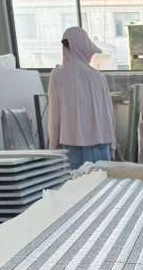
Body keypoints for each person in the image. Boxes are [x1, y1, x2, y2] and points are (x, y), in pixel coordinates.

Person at [48, 27, 116, 171]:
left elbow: (54, 116)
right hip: (101, 144)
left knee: (75, 184)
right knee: (102, 184)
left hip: (71, 145)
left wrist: (53, 147)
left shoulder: (57, 75)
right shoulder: (98, 77)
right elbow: (108, 114)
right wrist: (113, 144)